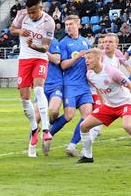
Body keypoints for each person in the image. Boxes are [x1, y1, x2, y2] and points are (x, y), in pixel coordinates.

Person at [78, 48, 131, 166]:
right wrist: (103, 104)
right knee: (84, 126)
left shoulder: (112, 72)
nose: (86, 61)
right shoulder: (90, 74)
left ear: (98, 58)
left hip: (125, 103)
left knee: (127, 126)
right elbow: (98, 87)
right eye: (85, 59)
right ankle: (88, 156)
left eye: (89, 58)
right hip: (109, 106)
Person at [9, 0, 55, 157]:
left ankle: (46, 129)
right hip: (24, 60)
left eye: (34, 12)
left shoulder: (49, 22)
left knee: (39, 90)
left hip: (39, 58)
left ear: (41, 8)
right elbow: (12, 29)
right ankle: (35, 128)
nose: (31, 14)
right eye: (29, 11)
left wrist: (33, 46)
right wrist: (21, 30)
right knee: (24, 99)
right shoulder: (22, 15)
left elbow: (45, 48)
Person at [48, 15, 93, 157]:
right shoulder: (63, 43)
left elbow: (91, 62)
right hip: (70, 85)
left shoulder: (85, 42)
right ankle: (49, 134)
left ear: (78, 25)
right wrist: (77, 57)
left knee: (87, 117)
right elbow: (62, 65)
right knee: (69, 116)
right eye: (66, 24)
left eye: (71, 24)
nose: (68, 27)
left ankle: (72, 146)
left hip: (84, 86)